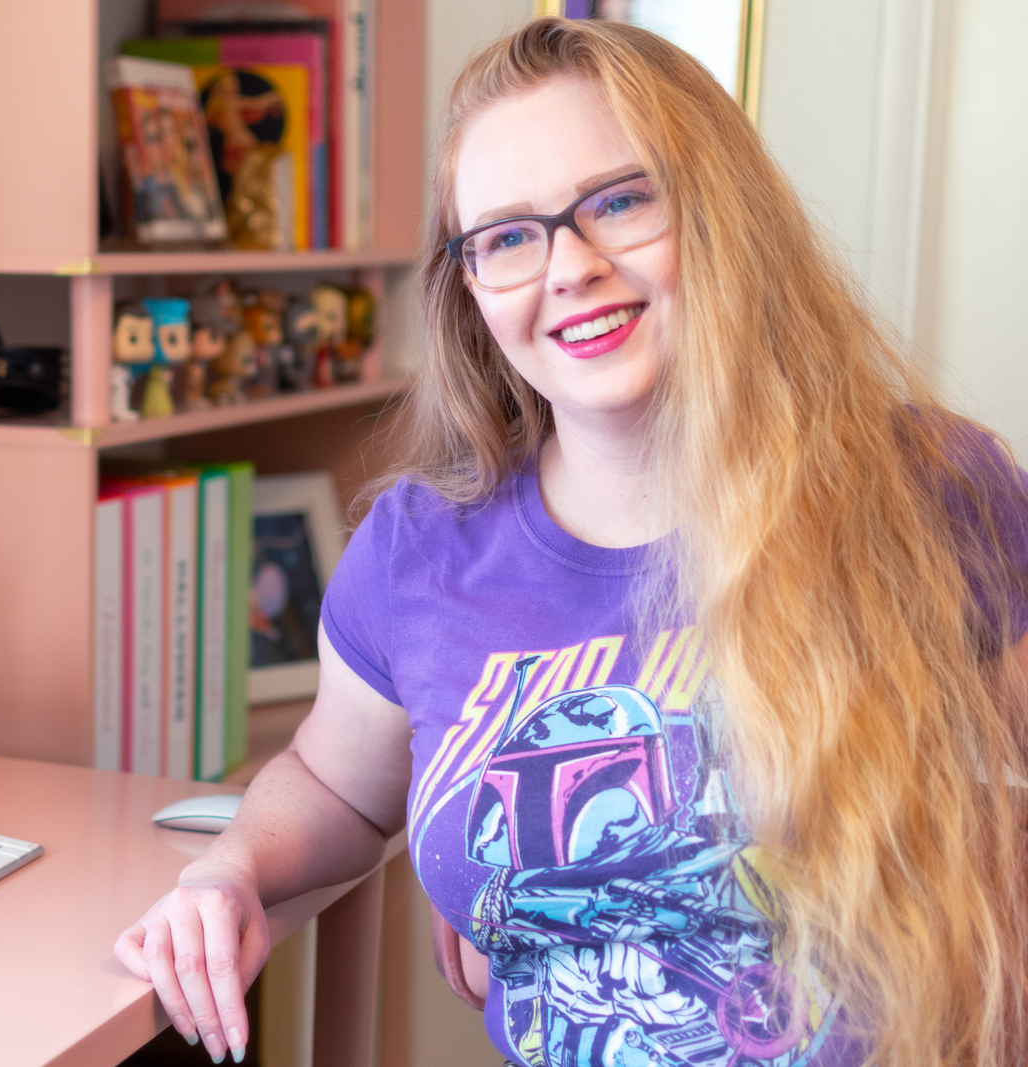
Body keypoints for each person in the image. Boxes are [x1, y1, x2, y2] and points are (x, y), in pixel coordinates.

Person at [114, 18, 1028, 1067]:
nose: (571, 266)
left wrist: (968, 862)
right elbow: (330, 782)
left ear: (723, 213)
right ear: (470, 288)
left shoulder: (927, 491)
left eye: (620, 201)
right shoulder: (417, 548)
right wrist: (230, 869)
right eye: (506, 235)